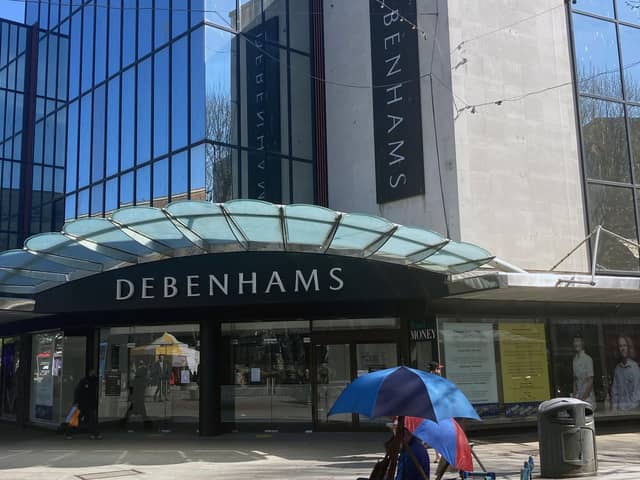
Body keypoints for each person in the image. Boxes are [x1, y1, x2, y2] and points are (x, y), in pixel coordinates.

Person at [66, 369, 101, 440]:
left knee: (90, 419)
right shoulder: (86, 382)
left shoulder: (92, 382)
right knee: (81, 419)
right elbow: (79, 392)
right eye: (93, 373)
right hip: (83, 404)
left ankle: (94, 434)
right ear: (90, 373)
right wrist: (76, 402)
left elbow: (79, 392)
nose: (93, 374)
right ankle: (94, 434)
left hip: (86, 404)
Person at [611, 335, 640, 411]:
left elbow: (637, 393)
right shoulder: (617, 369)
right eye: (620, 346)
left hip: (632, 411)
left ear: (629, 348)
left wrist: (628, 410)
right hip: (620, 412)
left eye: (625, 345)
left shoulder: (635, 368)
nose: (623, 348)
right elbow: (615, 392)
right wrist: (614, 410)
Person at [572, 335, 595, 407]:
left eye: (578, 341)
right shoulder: (574, 360)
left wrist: (583, 399)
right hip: (578, 399)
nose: (576, 343)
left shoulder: (588, 359)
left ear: (582, 343)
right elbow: (575, 380)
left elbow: (590, 381)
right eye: (575, 341)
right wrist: (574, 396)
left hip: (588, 399)